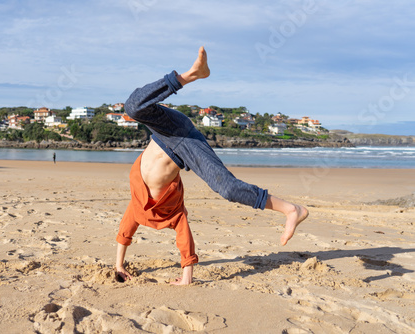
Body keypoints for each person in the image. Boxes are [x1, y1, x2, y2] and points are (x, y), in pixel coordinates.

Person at [116, 47, 308, 285]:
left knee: (133, 107)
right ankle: (292, 210)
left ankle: (191, 74)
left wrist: (118, 264)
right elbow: (183, 237)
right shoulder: (171, 210)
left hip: (165, 130)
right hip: (185, 145)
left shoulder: (136, 206)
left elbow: (124, 234)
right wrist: (187, 277)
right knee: (227, 189)